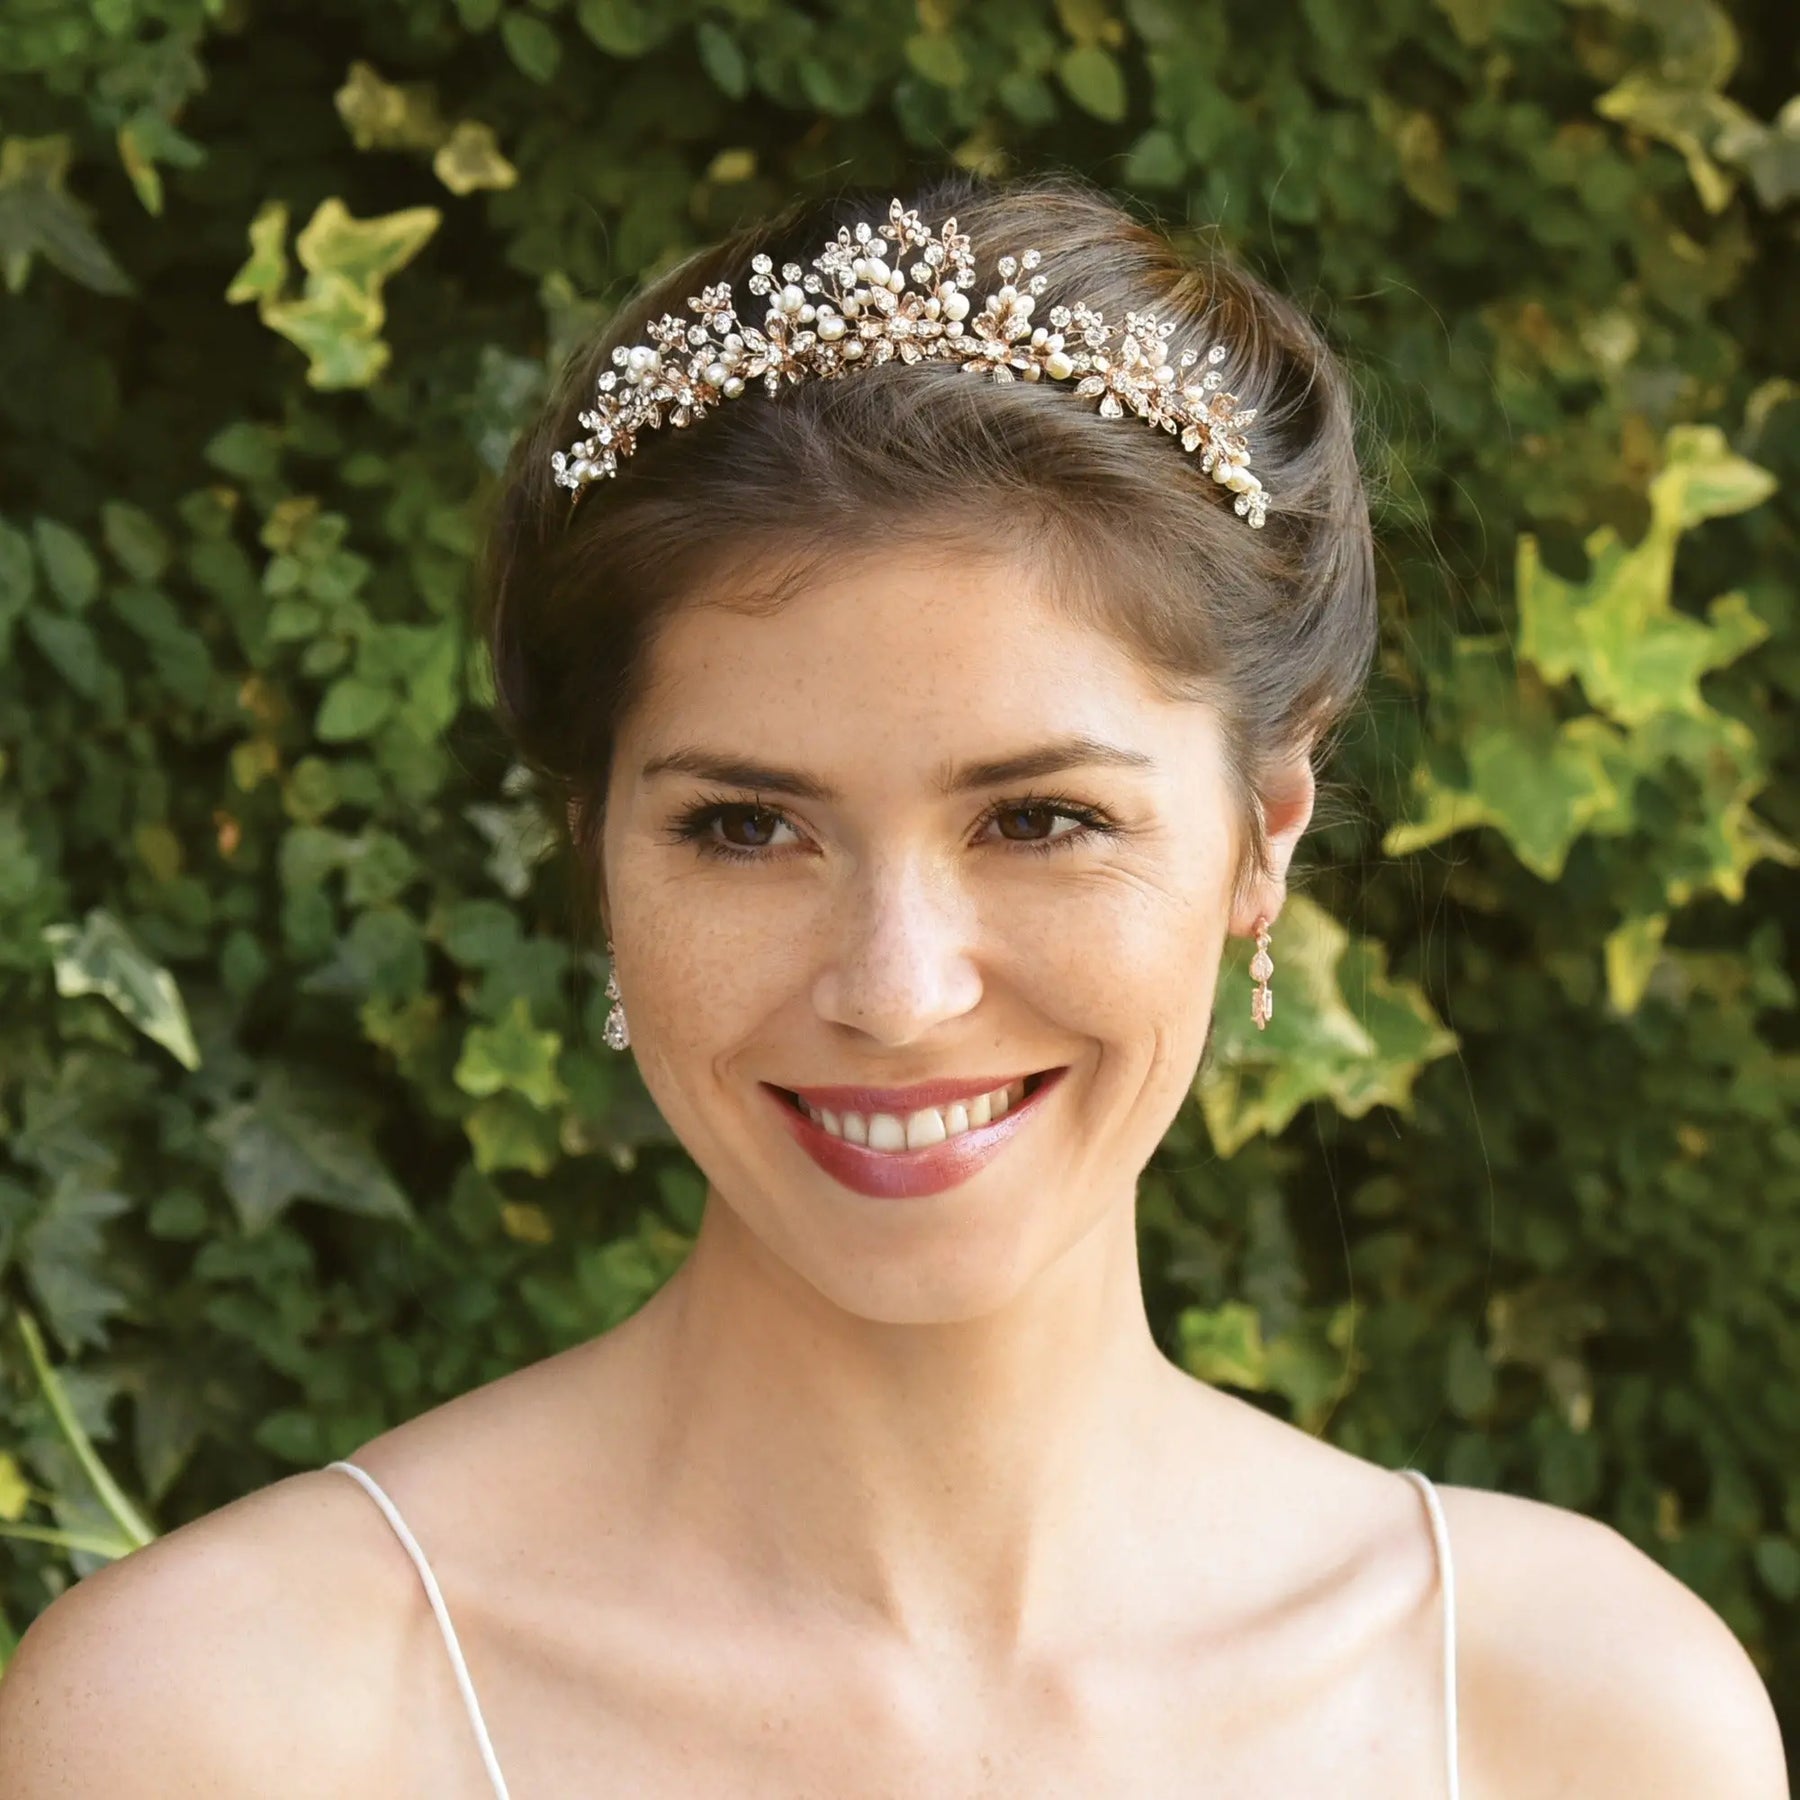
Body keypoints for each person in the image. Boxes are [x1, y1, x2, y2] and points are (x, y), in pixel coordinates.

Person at [1, 172, 1785, 1798]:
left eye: (1040, 819)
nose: (899, 992)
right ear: (596, 850)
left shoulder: (1583, 1721)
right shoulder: (212, 1724)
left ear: (1264, 836)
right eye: (747, 828)